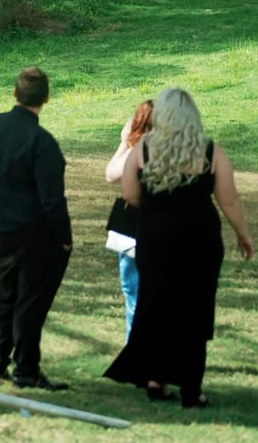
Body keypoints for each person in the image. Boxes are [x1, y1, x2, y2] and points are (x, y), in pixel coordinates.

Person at [104, 88, 254, 409]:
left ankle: (155, 378)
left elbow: (130, 193)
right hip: (200, 241)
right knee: (195, 312)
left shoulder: (143, 148)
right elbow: (228, 198)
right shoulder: (211, 152)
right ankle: (191, 389)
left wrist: (157, 208)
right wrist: (243, 234)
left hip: (156, 240)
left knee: (155, 305)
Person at [0, 66, 72, 390]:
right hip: (35, 232)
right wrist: (64, 239)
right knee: (31, 301)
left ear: (15, 93)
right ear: (46, 98)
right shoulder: (42, 142)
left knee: (7, 293)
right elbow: (52, 199)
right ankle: (26, 368)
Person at [104, 98, 154, 338]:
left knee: (134, 293)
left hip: (136, 232)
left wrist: (125, 142)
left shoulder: (140, 150)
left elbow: (111, 174)